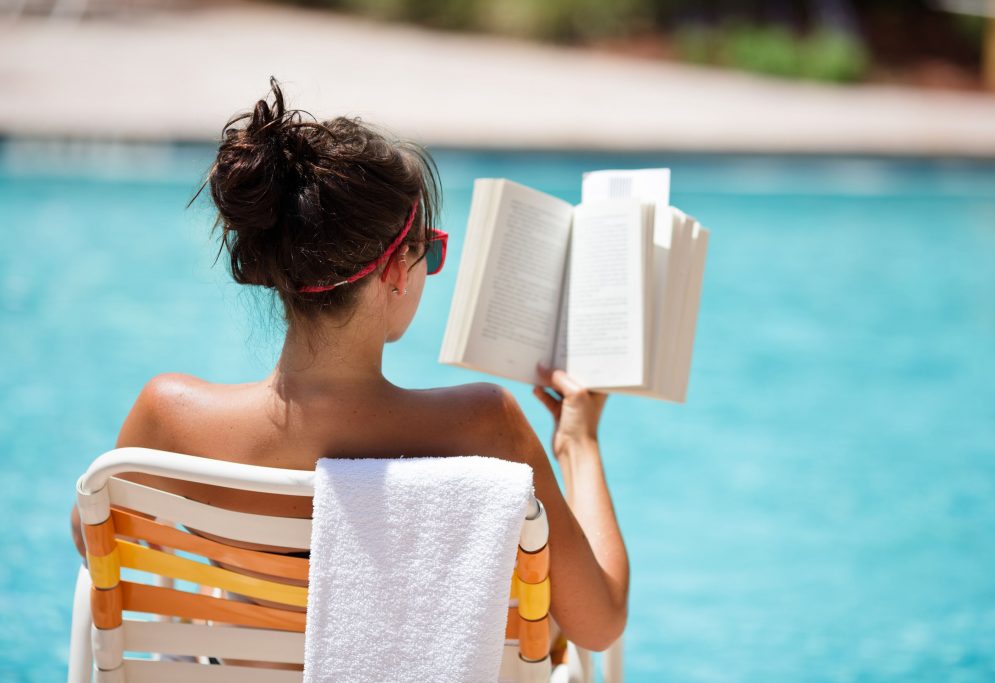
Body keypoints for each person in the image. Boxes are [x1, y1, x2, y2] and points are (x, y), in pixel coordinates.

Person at [71, 78, 628, 653]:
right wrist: (578, 443)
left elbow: (95, 540)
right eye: (428, 251)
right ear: (393, 272)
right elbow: (600, 623)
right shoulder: (486, 425)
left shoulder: (167, 419)